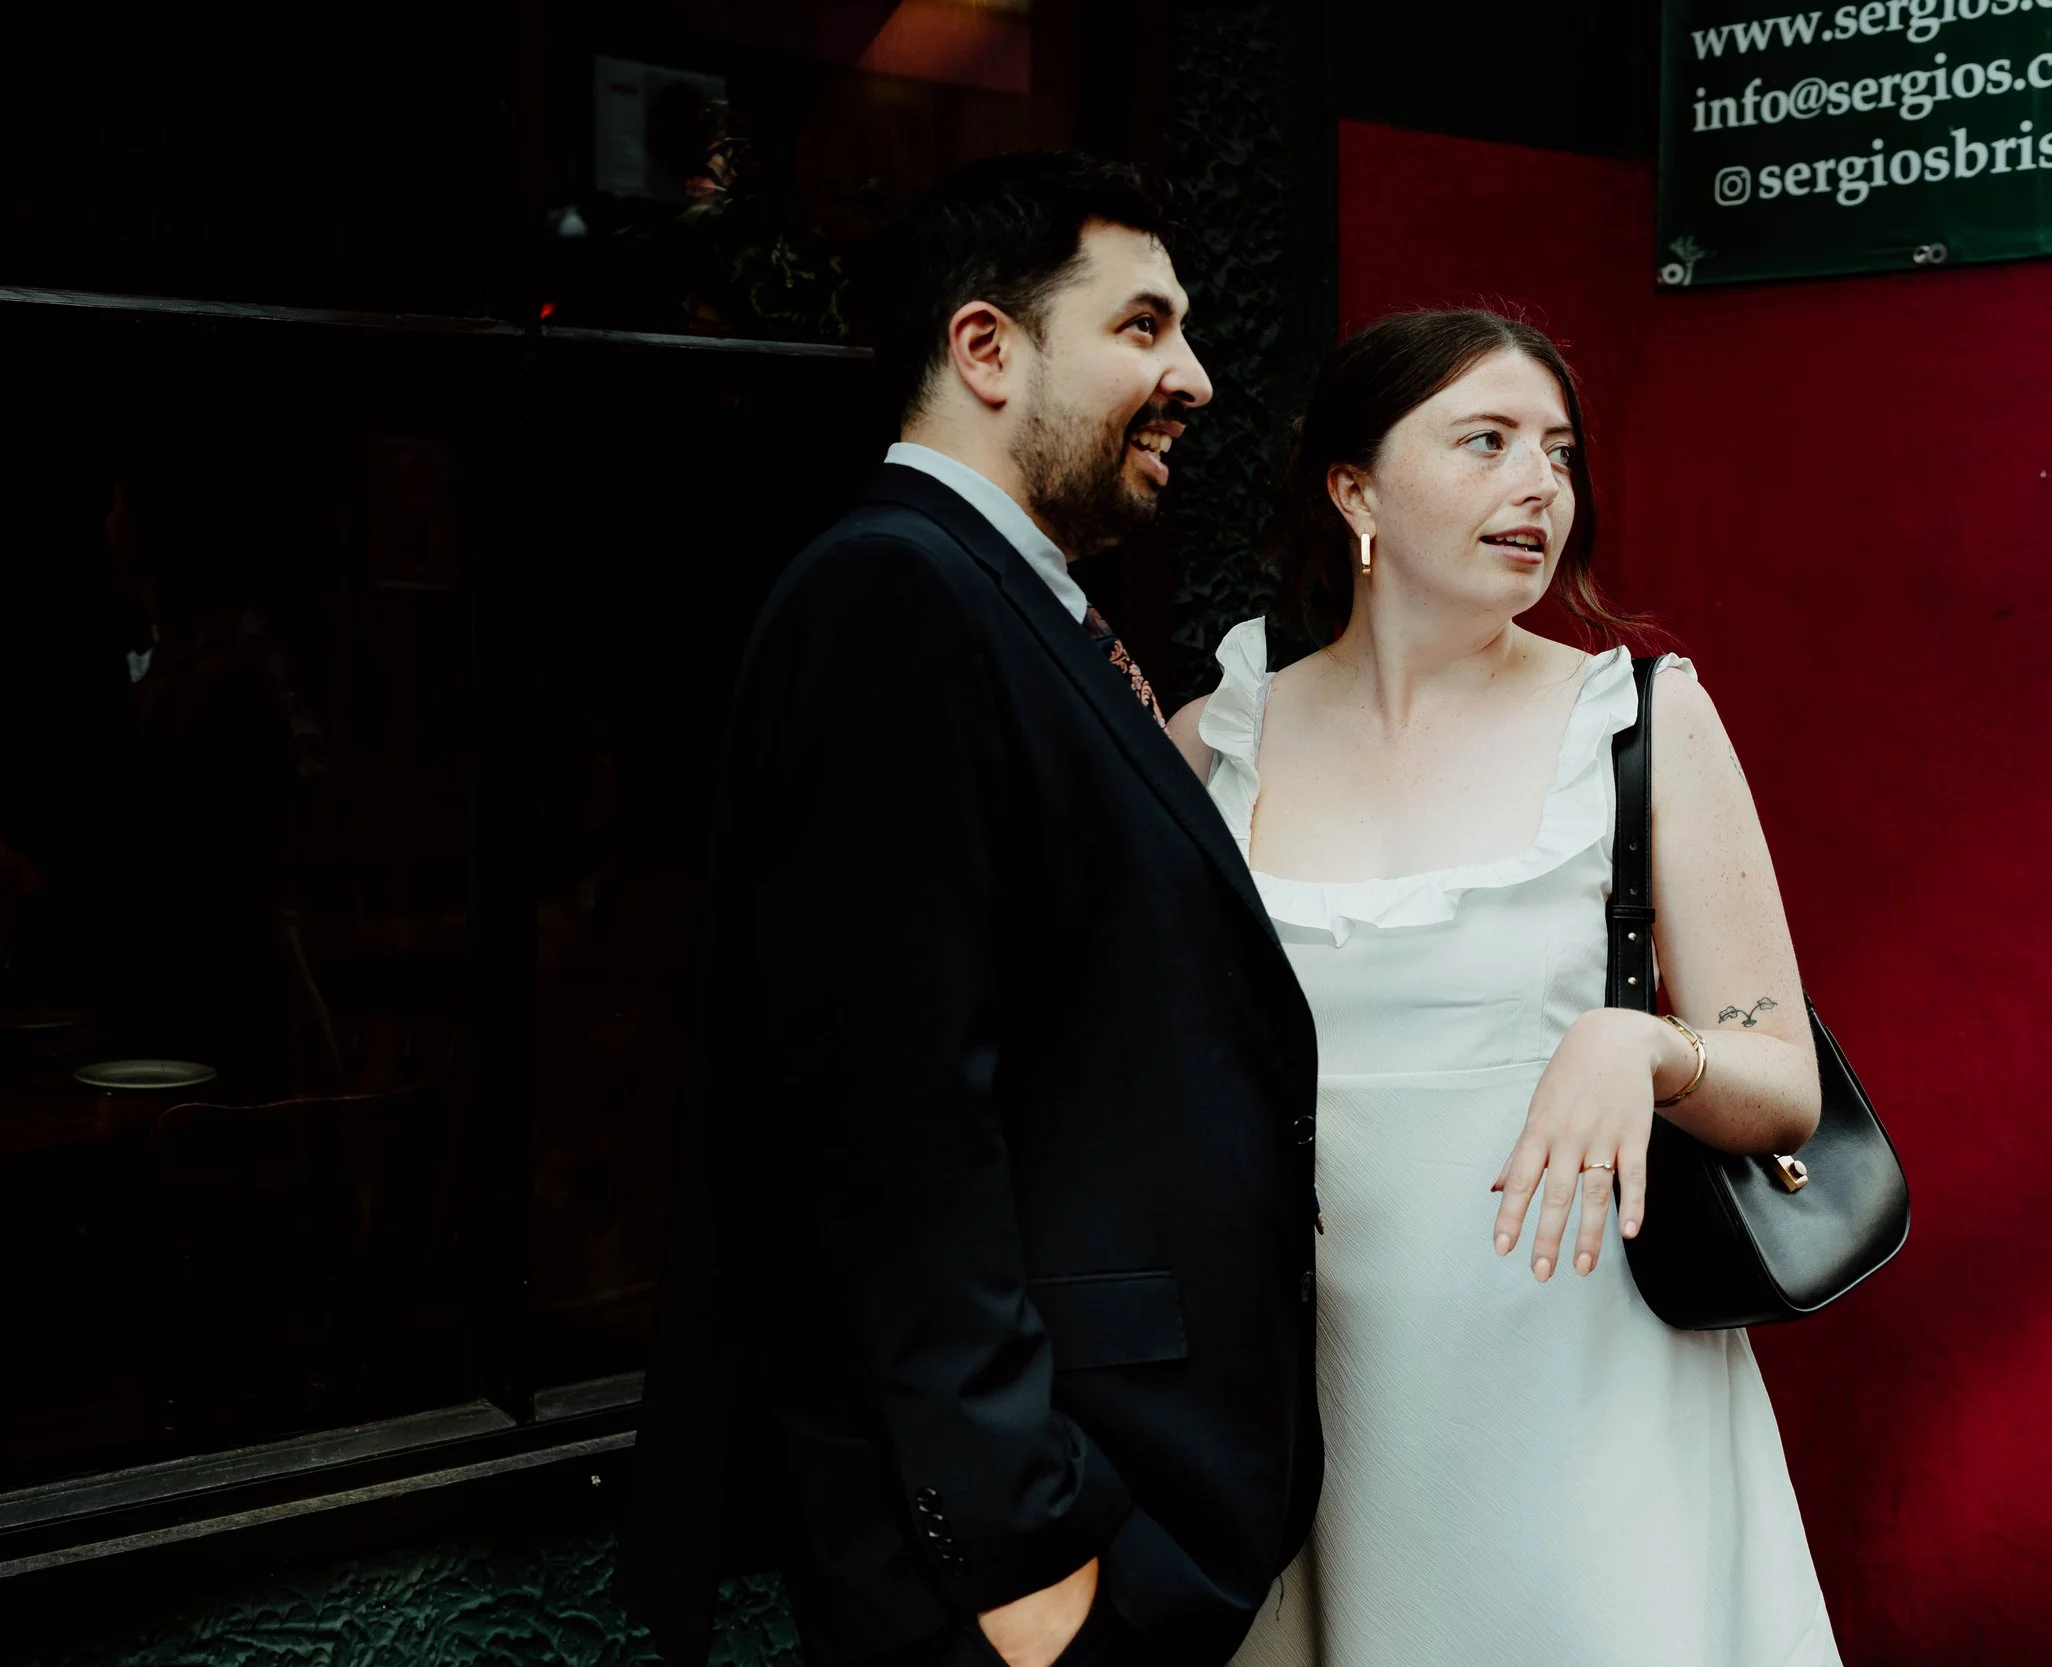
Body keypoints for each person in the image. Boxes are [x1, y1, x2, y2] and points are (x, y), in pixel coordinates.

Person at [623, 153, 1322, 1667]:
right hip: (1019, 1561)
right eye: (1143, 327)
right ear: (986, 348)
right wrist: (1022, 1551)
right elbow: (888, 1118)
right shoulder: (893, 593)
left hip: (1139, 1495)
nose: (1193, 377)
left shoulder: (1018, 602)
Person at [1169, 310, 1842, 1666]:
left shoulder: (1642, 720)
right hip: (1317, 1390)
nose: (1540, 484)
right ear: (1353, 488)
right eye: (1484, 442)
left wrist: (1648, 1049)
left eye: (1559, 451)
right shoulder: (1213, 744)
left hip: (1588, 1386)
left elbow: (1789, 1088)